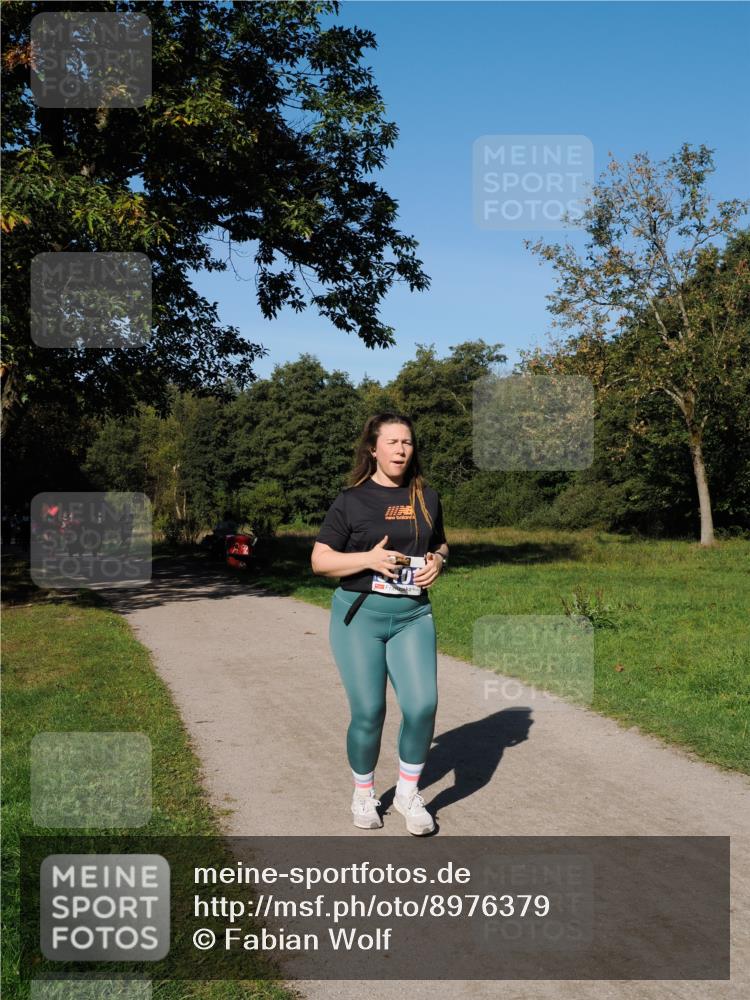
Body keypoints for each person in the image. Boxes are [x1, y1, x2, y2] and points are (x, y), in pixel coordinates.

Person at [311, 412, 449, 836]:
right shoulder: (350, 501)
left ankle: (408, 794)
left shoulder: (426, 496)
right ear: (373, 448)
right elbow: (319, 561)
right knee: (370, 711)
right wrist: (368, 559)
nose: (401, 450)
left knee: (423, 705)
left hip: (412, 615)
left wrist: (438, 561)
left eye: (406, 442)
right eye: (391, 442)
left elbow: (440, 541)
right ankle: (364, 792)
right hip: (360, 616)